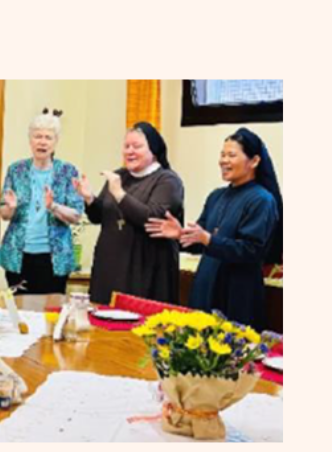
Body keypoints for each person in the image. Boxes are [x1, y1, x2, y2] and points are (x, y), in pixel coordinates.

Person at [145, 128, 282, 329]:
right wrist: (180, 235)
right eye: (222, 154)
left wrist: (208, 239)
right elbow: (200, 242)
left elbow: (252, 250)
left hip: (238, 293)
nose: (224, 161)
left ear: (254, 161)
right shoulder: (216, 196)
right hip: (205, 286)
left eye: (231, 155)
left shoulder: (262, 200)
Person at [73, 122, 185, 305]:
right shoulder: (120, 176)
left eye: (137, 146)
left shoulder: (168, 180)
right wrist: (89, 199)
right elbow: (99, 216)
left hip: (144, 268)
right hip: (109, 266)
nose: (130, 151)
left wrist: (119, 194)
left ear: (154, 150)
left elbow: (152, 218)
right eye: (126, 146)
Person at [0, 111, 84, 295]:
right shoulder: (16, 170)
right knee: (19, 312)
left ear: (55, 142)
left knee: (50, 313)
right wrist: (10, 208)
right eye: (37, 136)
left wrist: (53, 206)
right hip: (17, 256)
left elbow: (76, 215)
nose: (42, 142)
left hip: (54, 259)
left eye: (48, 137)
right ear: (30, 140)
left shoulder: (67, 171)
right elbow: (3, 214)